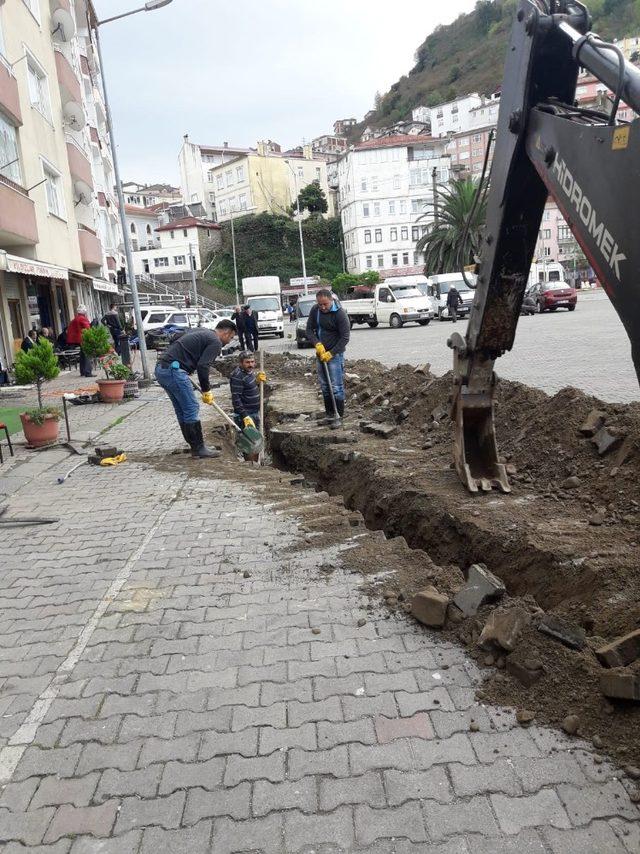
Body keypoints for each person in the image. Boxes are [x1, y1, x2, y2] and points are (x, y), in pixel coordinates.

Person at [155, 320, 237, 458]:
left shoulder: (202, 331)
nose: (229, 341)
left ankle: (195, 446)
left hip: (162, 369)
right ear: (225, 332)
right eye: (231, 337)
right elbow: (203, 366)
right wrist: (206, 390)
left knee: (182, 409)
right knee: (191, 407)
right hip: (174, 371)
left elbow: (176, 338)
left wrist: (184, 359)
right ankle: (199, 448)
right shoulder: (215, 341)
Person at [305, 288, 350, 429]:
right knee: (325, 386)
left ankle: (338, 416)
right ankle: (330, 414)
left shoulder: (339, 314)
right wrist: (316, 343)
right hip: (320, 354)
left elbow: (345, 338)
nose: (323, 307)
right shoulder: (315, 311)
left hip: (335, 355)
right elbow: (308, 330)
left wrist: (331, 353)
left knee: (336, 387)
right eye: (320, 304)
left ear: (331, 300)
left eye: (325, 304)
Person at [229, 351, 267, 461]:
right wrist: (245, 416)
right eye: (247, 362)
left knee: (256, 441)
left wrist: (257, 381)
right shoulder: (237, 376)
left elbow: (247, 388)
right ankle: (252, 467)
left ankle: (256, 463)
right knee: (250, 443)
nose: (250, 365)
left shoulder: (248, 373)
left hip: (254, 412)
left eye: (252, 362)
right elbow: (236, 399)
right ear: (241, 363)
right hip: (246, 415)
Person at [66, 306, 93, 377]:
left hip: (78, 340)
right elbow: (88, 329)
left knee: (82, 355)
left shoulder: (75, 319)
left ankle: (83, 371)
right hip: (84, 339)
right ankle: (88, 372)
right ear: (84, 311)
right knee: (87, 355)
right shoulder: (83, 318)